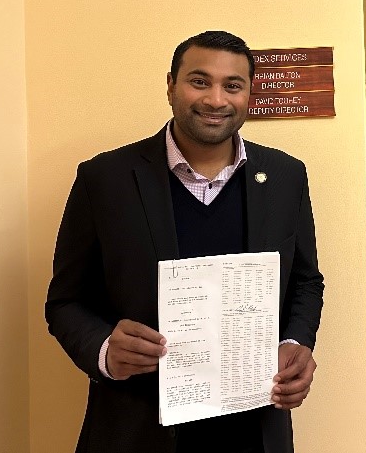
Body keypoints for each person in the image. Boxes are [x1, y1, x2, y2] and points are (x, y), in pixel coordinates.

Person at [46, 31, 324, 453]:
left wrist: (295, 343)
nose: (216, 99)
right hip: (137, 430)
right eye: (199, 81)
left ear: (249, 94)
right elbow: (65, 301)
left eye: (233, 85)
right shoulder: (103, 179)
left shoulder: (286, 176)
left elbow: (305, 280)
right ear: (171, 85)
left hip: (254, 428)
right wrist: (103, 349)